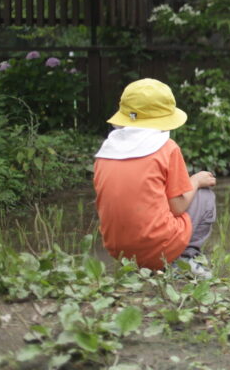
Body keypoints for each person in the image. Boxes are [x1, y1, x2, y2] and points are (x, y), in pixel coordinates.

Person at [93, 78, 217, 278]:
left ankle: (139, 266)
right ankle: (184, 259)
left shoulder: (106, 152)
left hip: (119, 251)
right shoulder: (167, 149)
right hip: (159, 249)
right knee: (203, 194)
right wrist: (196, 180)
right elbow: (177, 206)